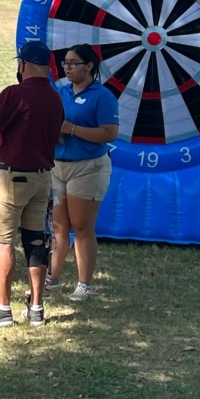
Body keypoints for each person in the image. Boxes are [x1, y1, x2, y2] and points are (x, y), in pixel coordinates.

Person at [0, 40, 63, 328]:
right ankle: (36, 308)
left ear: (22, 64)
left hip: (13, 177)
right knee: (36, 241)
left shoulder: (14, 94)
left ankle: (1, 308)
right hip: (43, 177)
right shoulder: (55, 98)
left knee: (3, 241)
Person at [47, 43, 120, 301]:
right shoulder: (60, 92)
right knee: (58, 226)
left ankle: (84, 284)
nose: (68, 67)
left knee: (81, 227)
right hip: (58, 166)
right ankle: (52, 279)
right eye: (65, 62)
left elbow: (109, 133)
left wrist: (72, 129)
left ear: (89, 66)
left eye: (74, 63)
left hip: (88, 167)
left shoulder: (103, 96)